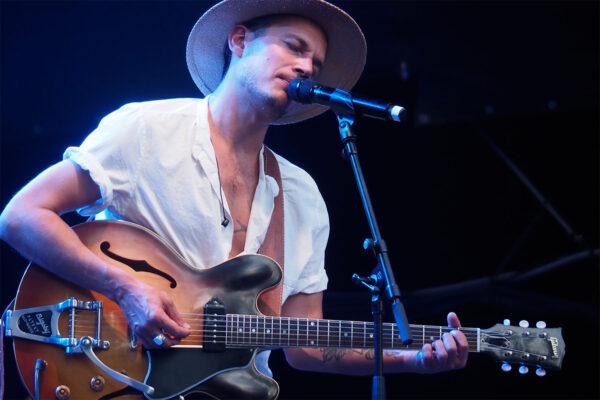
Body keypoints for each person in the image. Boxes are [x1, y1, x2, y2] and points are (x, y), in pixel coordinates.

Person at [0, 0, 467, 387]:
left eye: (316, 64)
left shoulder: (301, 194)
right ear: (239, 41)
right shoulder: (146, 131)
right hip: (114, 375)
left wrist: (412, 360)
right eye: (294, 46)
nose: (306, 66)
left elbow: (307, 344)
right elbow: (21, 216)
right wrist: (125, 287)